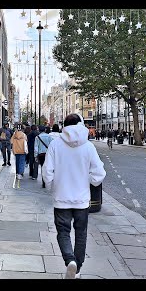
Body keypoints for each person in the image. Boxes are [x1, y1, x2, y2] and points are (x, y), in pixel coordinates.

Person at [42, 113, 106, 279]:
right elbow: (99, 173)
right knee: (81, 233)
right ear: (81, 125)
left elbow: (47, 171)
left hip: (61, 198)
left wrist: (51, 187)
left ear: (65, 126)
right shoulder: (88, 147)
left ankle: (70, 260)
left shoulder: (56, 144)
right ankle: (77, 269)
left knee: (63, 232)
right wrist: (89, 181)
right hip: (82, 200)